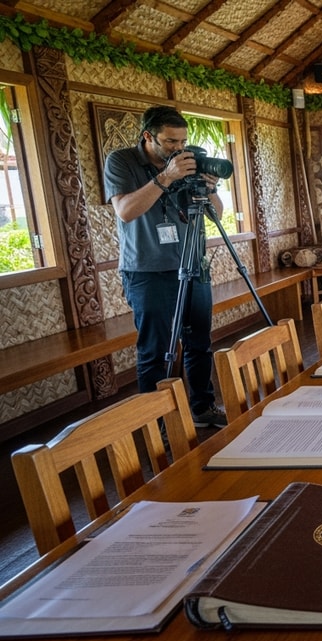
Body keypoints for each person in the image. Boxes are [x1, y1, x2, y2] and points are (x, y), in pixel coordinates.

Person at [103, 105, 227, 428]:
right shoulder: (122, 162)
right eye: (171, 141)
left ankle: (202, 408)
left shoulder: (188, 162)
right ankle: (158, 425)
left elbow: (217, 214)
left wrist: (209, 188)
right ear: (148, 136)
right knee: (155, 352)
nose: (179, 148)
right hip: (148, 272)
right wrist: (166, 177)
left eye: (183, 140)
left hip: (192, 264)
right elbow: (126, 211)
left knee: (200, 343)